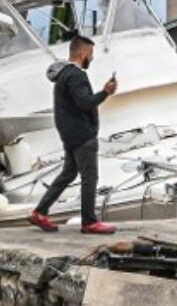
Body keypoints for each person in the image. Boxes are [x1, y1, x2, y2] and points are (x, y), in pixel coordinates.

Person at [28, 33, 118, 234]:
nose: (92, 58)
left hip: (69, 134)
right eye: (91, 53)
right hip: (82, 136)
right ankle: (89, 222)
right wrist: (105, 92)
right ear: (82, 52)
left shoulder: (64, 75)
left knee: (69, 173)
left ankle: (40, 212)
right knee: (90, 177)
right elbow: (84, 103)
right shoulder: (76, 75)